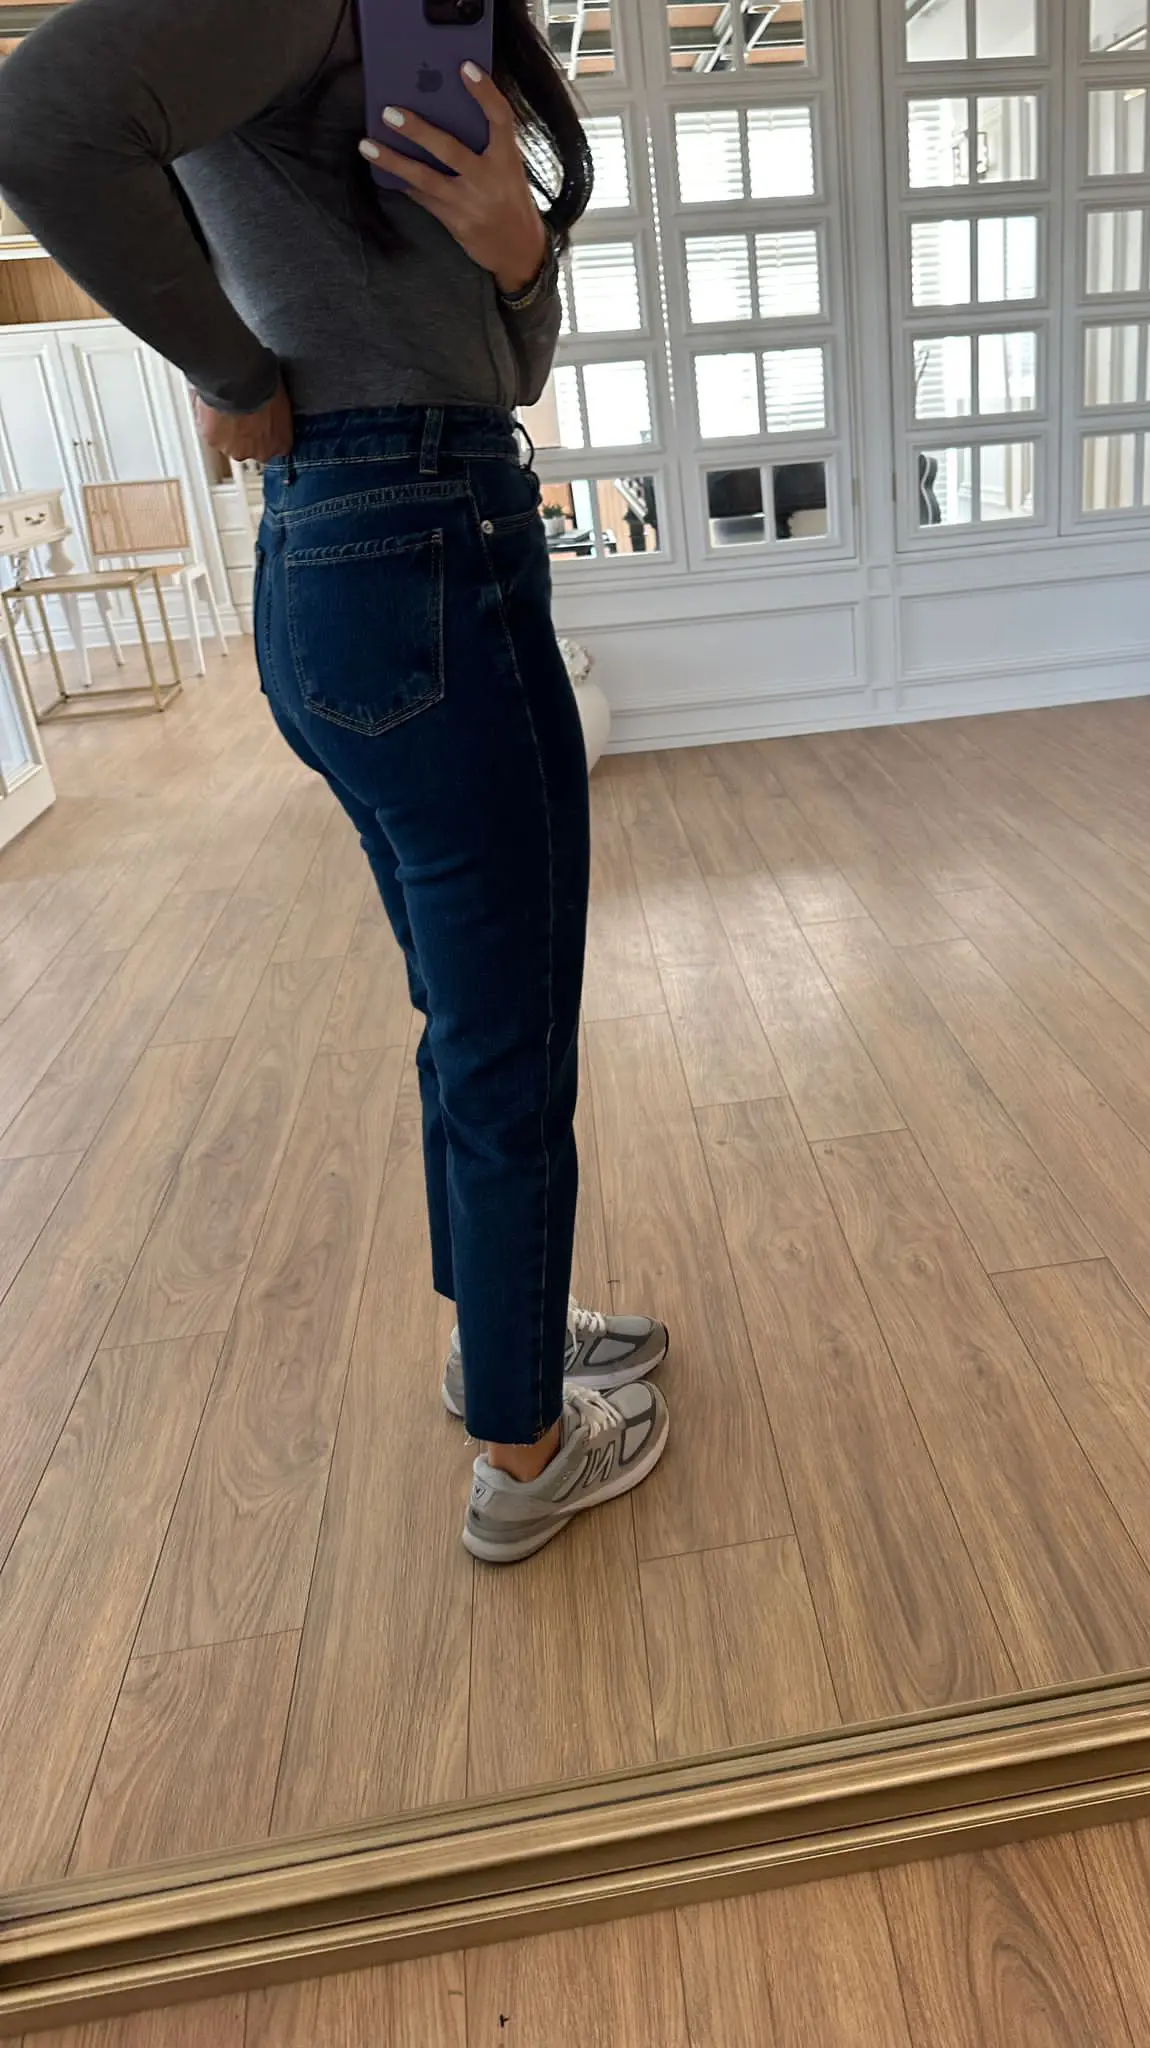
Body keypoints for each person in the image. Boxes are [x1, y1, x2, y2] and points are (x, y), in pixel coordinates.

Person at [0, 0, 670, 1565]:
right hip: (419, 541)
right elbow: (38, 124)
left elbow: (508, 372)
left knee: (472, 1019)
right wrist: (229, 362)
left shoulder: (419, 35)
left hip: (363, 547)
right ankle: (524, 1454)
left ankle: (499, 1345)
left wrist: (516, 246)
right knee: (509, 1041)